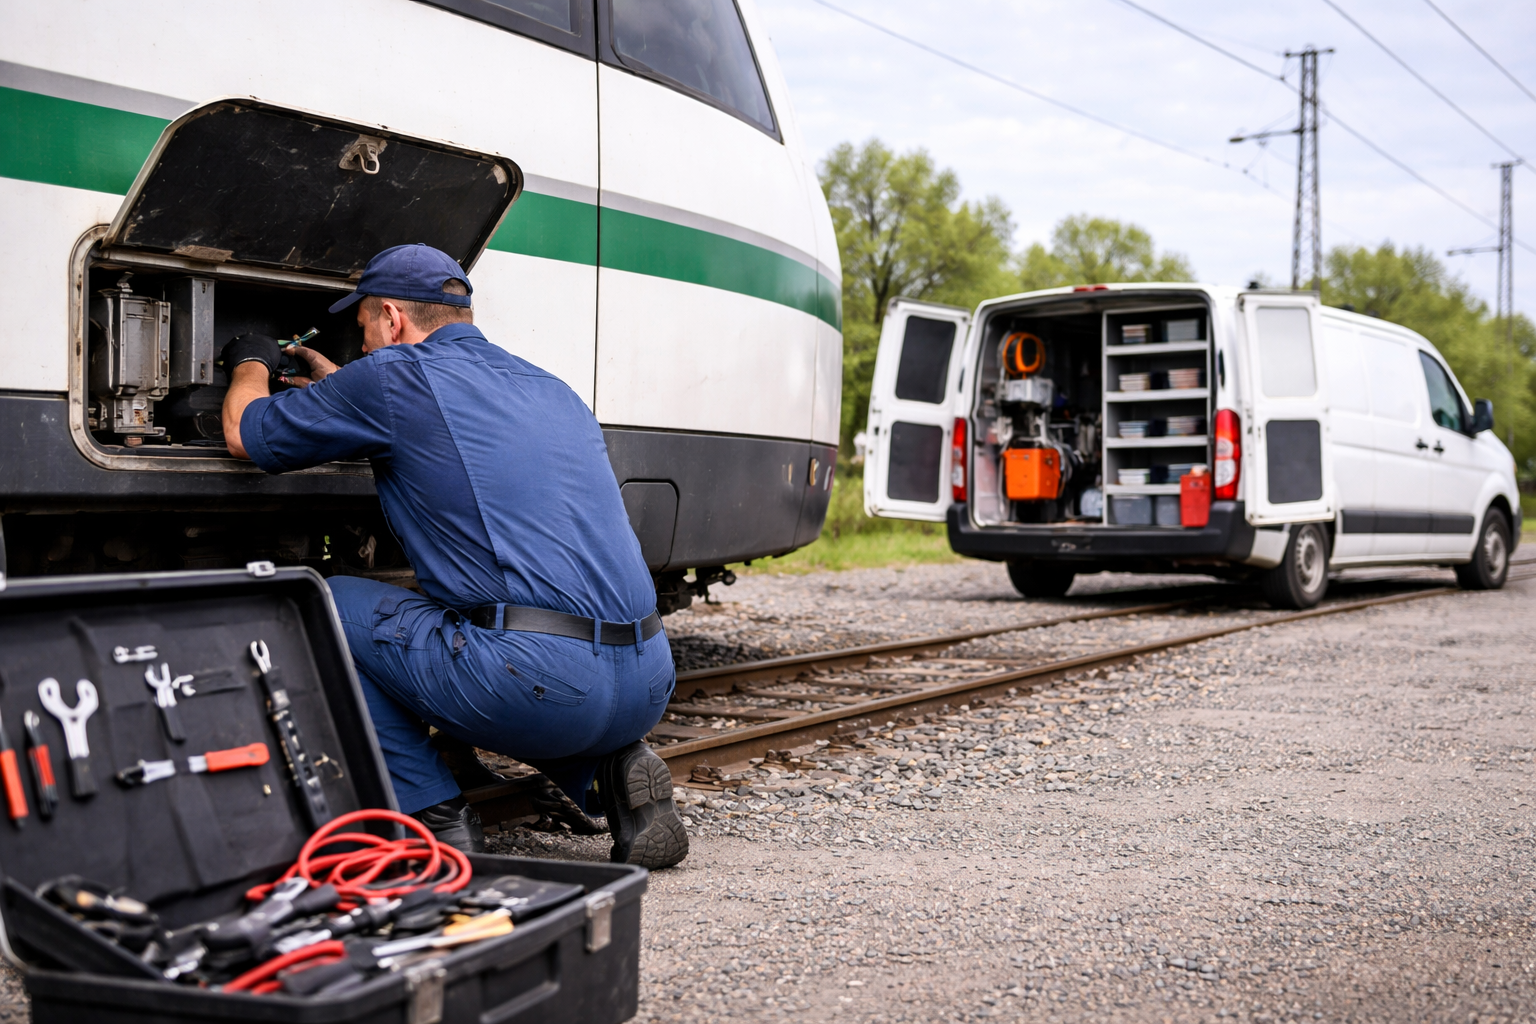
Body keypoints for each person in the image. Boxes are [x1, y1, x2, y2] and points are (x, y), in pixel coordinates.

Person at [219, 243, 688, 868]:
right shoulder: (550, 387)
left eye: (364, 333)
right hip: (648, 677)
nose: (362, 350)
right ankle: (610, 772)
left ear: (391, 318)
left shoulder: (389, 380)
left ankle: (432, 820)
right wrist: (342, 392)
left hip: (542, 680)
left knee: (318, 603)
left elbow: (242, 432)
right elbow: (432, 417)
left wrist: (249, 360)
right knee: (497, 642)